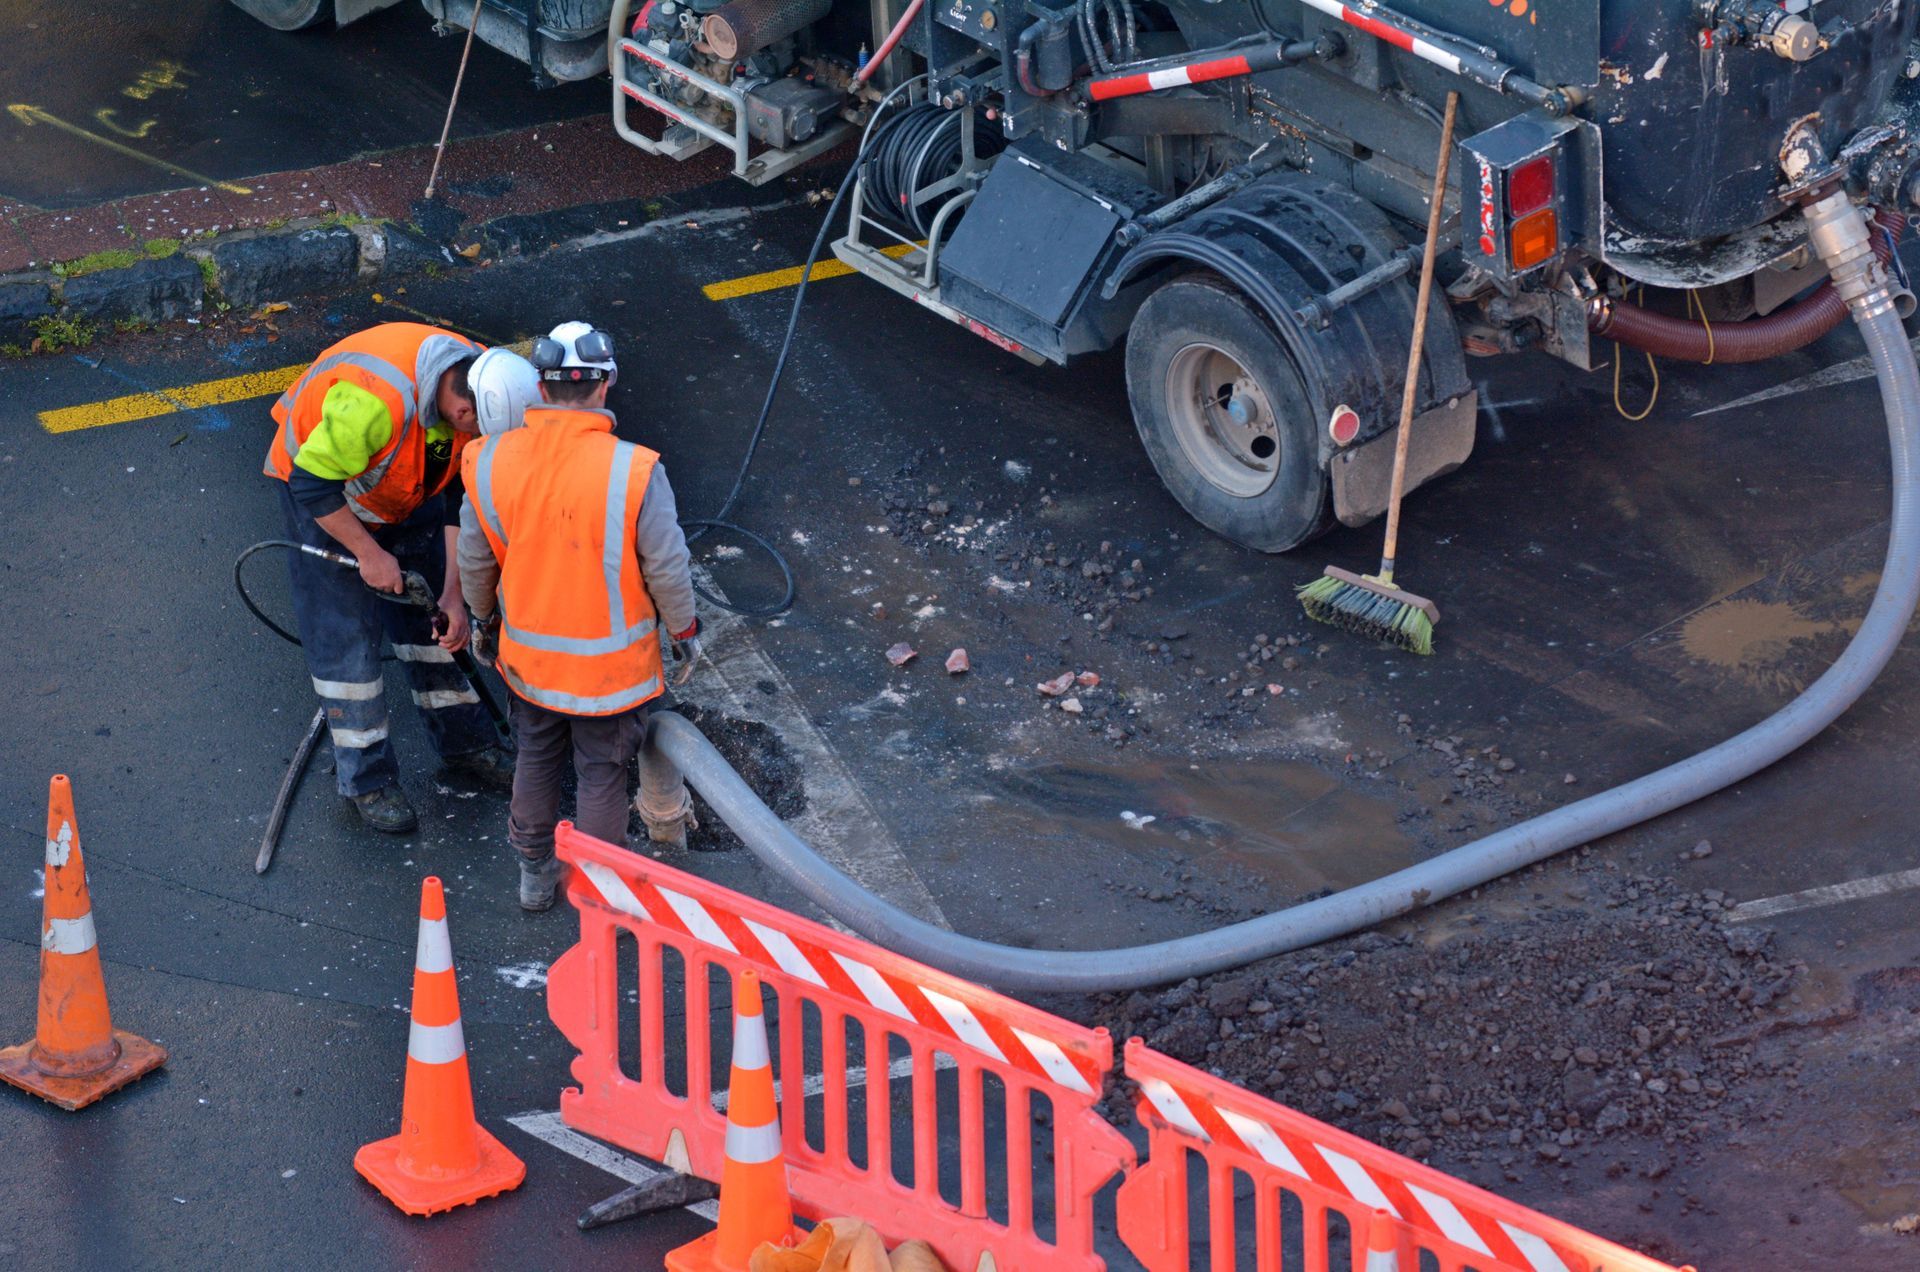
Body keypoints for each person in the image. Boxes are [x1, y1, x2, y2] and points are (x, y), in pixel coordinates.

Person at [458, 322, 701, 910]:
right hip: (609, 677)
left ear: (539, 388)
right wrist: (684, 631)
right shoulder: (635, 469)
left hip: (532, 666)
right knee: (601, 774)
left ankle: (534, 876)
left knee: (536, 759)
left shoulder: (487, 461)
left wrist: (484, 621)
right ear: (606, 385)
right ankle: (602, 895)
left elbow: (474, 558)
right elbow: (667, 566)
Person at [264, 321, 516, 833]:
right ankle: (369, 780)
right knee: (346, 642)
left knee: (435, 626)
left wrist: (454, 595)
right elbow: (311, 484)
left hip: (410, 483)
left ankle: (467, 744)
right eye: (474, 433)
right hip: (330, 500)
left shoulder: (487, 377)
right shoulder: (374, 402)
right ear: (463, 411)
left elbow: (459, 495)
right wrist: (370, 553)